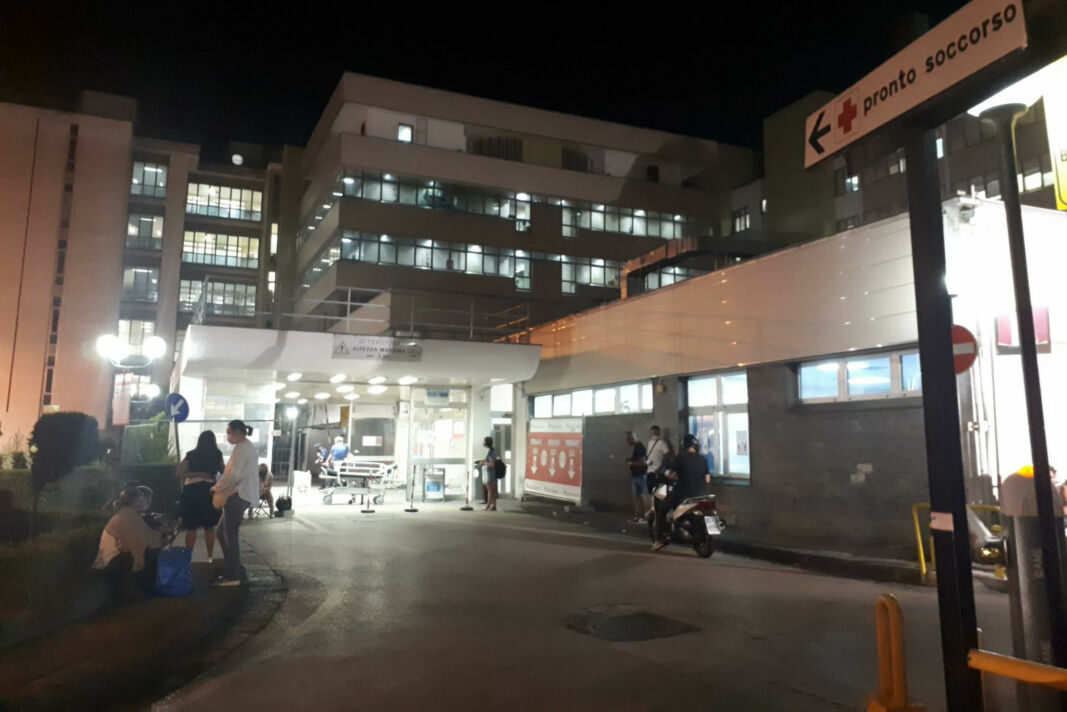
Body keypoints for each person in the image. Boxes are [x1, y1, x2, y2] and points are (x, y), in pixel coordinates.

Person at [211, 419, 259, 586]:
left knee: (229, 534)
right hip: (240, 494)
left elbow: (234, 475)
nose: (227, 436)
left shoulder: (242, 448)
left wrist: (217, 487)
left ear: (238, 433)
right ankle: (234, 570)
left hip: (238, 495)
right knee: (222, 533)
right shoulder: (245, 447)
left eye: (229, 433)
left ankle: (234, 574)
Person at [92, 485, 165, 594]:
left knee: (152, 550)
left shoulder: (127, 513)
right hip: (112, 561)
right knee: (152, 552)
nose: (143, 501)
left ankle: (141, 586)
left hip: (112, 558)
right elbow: (140, 540)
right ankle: (141, 587)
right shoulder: (129, 516)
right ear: (134, 500)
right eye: (141, 498)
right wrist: (161, 535)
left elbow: (143, 535)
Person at [652, 434, 711, 551]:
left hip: (682, 493)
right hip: (699, 495)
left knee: (662, 510)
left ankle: (659, 539)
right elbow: (707, 479)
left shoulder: (679, 457)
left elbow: (672, 475)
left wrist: (666, 475)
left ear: (683, 445)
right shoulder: (702, 459)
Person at [177, 430, 224, 559]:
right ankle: (210, 557)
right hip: (209, 491)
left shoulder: (191, 454)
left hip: (191, 491)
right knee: (209, 527)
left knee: (191, 527)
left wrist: (197, 474)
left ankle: (188, 558)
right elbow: (224, 471)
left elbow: (179, 473)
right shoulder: (217, 454)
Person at [625, 431, 648, 523]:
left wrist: (631, 463)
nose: (627, 442)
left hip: (640, 475)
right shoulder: (637, 447)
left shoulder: (640, 448)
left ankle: (643, 516)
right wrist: (631, 459)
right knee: (638, 497)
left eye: (628, 440)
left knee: (641, 497)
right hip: (636, 475)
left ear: (632, 439)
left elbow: (643, 462)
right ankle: (639, 516)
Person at [475, 436, 499, 511]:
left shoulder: (491, 453)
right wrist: (483, 461)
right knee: (492, 490)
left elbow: (492, 464)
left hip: (490, 473)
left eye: (484, 442)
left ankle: (488, 506)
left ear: (487, 443)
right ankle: (493, 506)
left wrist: (483, 463)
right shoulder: (491, 451)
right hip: (490, 473)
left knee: (490, 490)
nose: (483, 443)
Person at [645, 425, 671, 490]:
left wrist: (661, 467)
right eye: (653, 432)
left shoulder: (662, 442)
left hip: (657, 471)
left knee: (658, 491)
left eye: (655, 432)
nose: (654, 434)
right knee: (650, 490)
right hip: (649, 470)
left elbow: (667, 454)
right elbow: (648, 455)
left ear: (659, 432)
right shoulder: (649, 442)